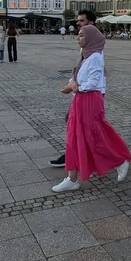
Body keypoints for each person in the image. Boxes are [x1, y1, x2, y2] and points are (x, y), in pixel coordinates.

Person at [53, 25, 131, 192]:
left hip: (90, 101)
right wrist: (71, 85)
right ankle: (71, 178)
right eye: (78, 35)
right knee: (73, 137)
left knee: (93, 137)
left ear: (90, 38)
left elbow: (94, 83)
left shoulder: (95, 56)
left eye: (81, 35)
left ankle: (119, 160)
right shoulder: (84, 55)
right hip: (80, 100)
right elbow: (78, 77)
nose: (78, 38)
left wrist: (75, 87)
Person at [49, 9, 98, 168]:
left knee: (85, 127)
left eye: (81, 21)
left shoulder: (95, 48)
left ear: (91, 24)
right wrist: (72, 82)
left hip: (90, 95)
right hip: (82, 93)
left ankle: (112, 156)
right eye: (77, 21)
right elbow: (79, 68)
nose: (78, 24)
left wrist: (74, 87)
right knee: (80, 125)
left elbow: (94, 79)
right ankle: (77, 154)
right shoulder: (85, 46)